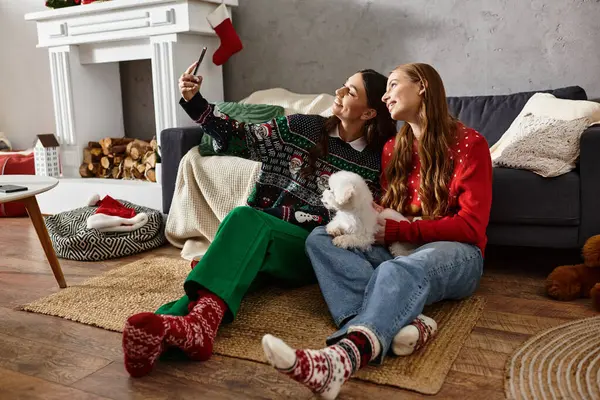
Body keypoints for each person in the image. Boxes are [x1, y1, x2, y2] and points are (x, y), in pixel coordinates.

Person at [121, 62, 399, 377]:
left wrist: (287, 215)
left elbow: (354, 220)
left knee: (244, 220)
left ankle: (186, 325)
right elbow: (243, 137)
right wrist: (197, 101)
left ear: (369, 113)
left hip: (310, 251)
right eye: (343, 83)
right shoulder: (303, 127)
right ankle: (167, 330)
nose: (338, 92)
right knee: (229, 268)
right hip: (264, 234)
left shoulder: (377, 161)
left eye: (350, 91)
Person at [261, 63, 493, 400]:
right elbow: (386, 206)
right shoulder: (392, 148)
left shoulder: (470, 144)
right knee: (323, 237)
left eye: (394, 85)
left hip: (456, 252)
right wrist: (373, 213)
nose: (385, 95)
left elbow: (471, 226)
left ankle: (340, 359)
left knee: (396, 268)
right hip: (399, 244)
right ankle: (402, 321)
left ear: (423, 87)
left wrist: (399, 228)